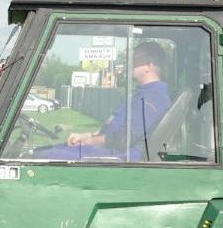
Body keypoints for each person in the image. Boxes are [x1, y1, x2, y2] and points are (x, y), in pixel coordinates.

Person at [36, 41, 171, 160]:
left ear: (149, 65)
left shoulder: (153, 98)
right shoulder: (142, 94)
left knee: (40, 158)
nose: (129, 65)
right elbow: (114, 129)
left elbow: (123, 140)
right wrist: (85, 135)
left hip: (120, 158)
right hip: (110, 150)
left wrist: (89, 141)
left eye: (134, 62)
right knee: (42, 151)